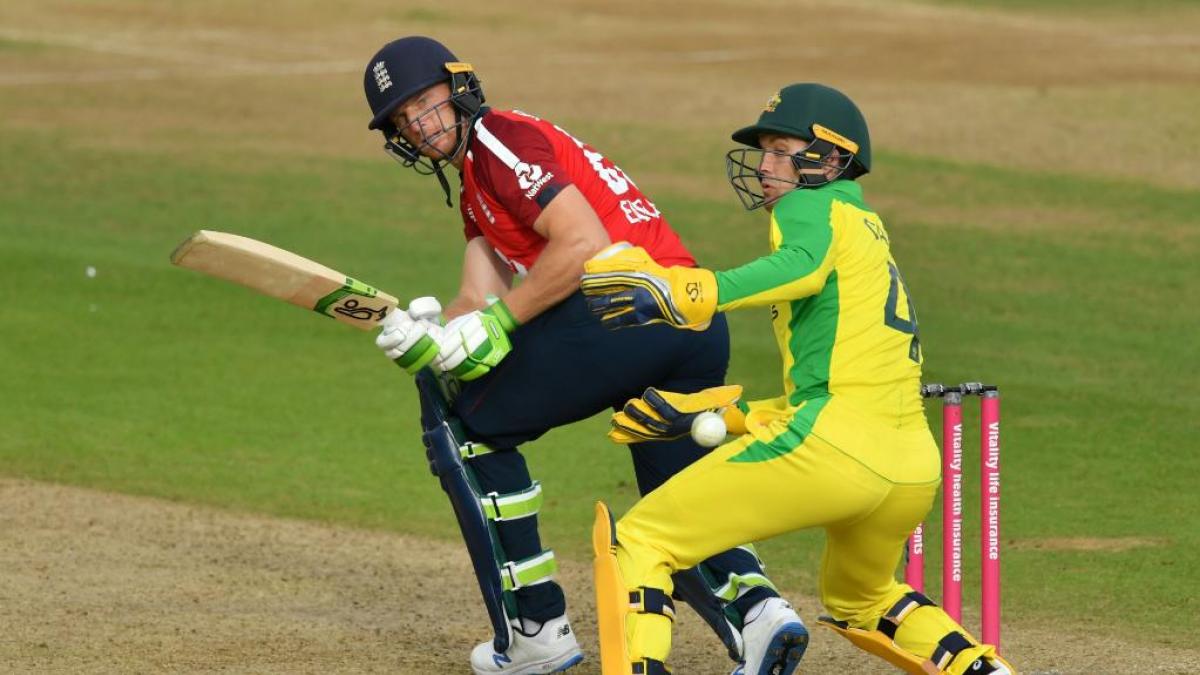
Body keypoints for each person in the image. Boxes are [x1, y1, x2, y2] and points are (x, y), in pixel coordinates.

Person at [361, 36, 805, 675]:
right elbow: (477, 298)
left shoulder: (500, 140)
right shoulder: (478, 184)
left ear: (459, 88)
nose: (419, 125)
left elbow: (581, 245)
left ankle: (535, 629)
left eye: (425, 103)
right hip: (690, 325)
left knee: (465, 427)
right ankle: (761, 615)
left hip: (628, 310)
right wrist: (424, 335)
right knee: (673, 492)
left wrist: (494, 326)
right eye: (402, 120)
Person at [580, 83, 1017, 674]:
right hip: (910, 467)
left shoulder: (810, 207)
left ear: (831, 158)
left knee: (643, 540)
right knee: (864, 599)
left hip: (834, 448)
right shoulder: (862, 225)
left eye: (782, 150)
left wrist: (688, 290)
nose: (764, 166)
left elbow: (800, 269)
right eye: (763, 150)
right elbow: (828, 390)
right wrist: (715, 415)